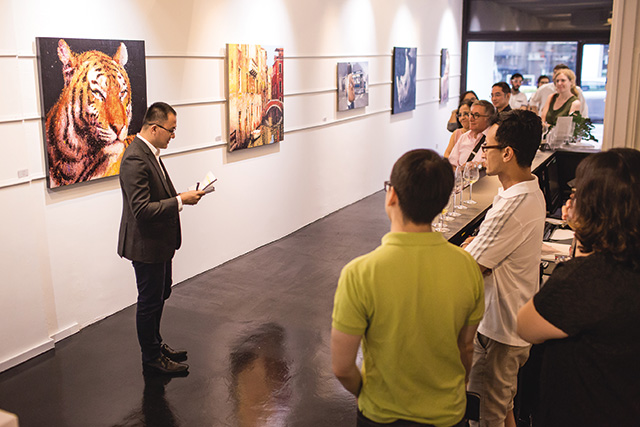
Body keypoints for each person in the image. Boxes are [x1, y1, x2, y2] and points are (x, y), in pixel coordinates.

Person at [331, 149, 484, 427]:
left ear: (392, 196)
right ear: (442, 203)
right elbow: (466, 347)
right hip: (447, 414)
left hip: (381, 413)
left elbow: (342, 367)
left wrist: (366, 393)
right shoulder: (467, 266)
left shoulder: (360, 273)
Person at [517, 148, 640, 427]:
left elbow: (525, 325)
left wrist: (581, 238)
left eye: (579, 194)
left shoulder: (587, 279)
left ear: (595, 208)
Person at [461, 109, 545, 427]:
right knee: (504, 407)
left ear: (507, 153)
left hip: (500, 331)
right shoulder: (527, 191)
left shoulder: (513, 205)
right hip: (512, 325)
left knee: (486, 417)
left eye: (488, 146)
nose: (484, 152)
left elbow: (471, 267)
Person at [118, 102, 206, 375]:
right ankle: (151, 358)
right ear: (154, 128)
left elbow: (156, 196)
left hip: (158, 243)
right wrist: (180, 200)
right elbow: (142, 210)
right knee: (149, 301)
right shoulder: (135, 158)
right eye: (171, 130)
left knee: (160, 294)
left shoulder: (150, 153)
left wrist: (181, 197)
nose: (173, 135)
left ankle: (156, 345)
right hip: (145, 245)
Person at [448, 100, 495, 168]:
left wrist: (478, 166)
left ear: (488, 118)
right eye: (470, 114)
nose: (471, 119)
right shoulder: (464, 137)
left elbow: (495, 165)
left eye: (476, 115)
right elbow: (452, 164)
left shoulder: (493, 139)